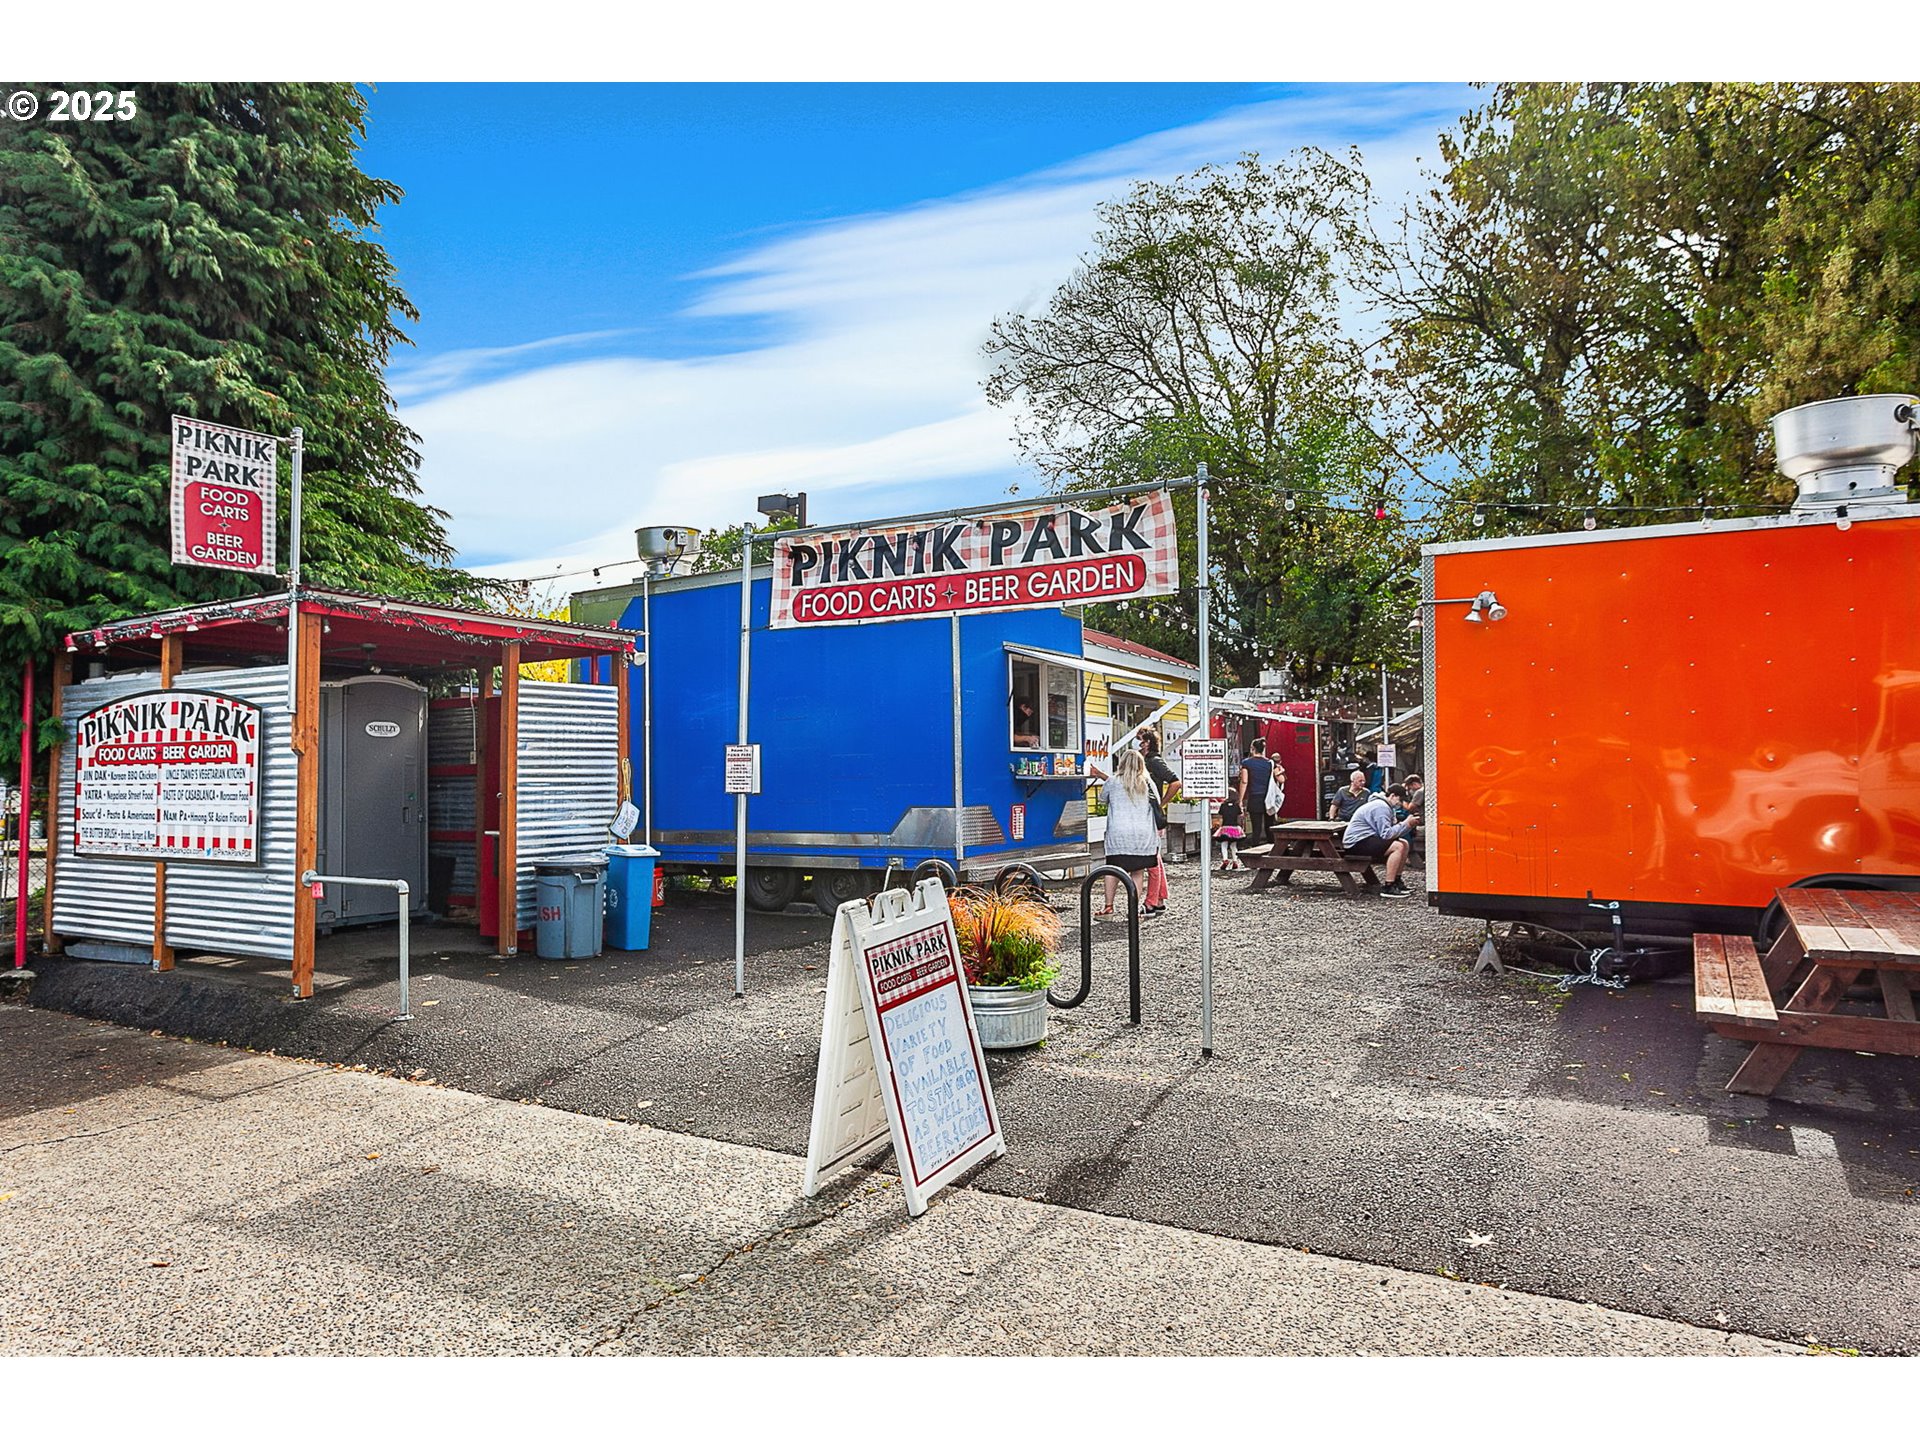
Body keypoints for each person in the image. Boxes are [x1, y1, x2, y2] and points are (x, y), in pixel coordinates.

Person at [1098, 749, 1160, 918]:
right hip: (1142, 836)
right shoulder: (1147, 782)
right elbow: (1158, 803)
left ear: (1122, 763)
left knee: (1112, 870)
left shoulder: (1112, 781)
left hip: (1118, 835)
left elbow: (1102, 799)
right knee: (1137, 872)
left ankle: (1108, 907)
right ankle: (1132, 909)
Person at [1341, 782, 1419, 897]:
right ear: (1392, 796)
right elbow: (1386, 835)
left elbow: (1391, 833)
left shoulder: (1386, 806)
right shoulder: (1381, 807)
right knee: (1398, 847)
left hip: (1367, 838)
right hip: (1356, 843)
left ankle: (1397, 881)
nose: (1401, 804)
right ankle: (1388, 886)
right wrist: (1406, 824)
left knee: (1404, 843)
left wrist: (1407, 826)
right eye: (1400, 800)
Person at [1138, 732, 1177, 916]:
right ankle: (1159, 898)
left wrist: (1160, 803)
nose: (1139, 743)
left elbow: (1175, 783)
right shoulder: (1147, 761)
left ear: (1149, 743)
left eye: (1142, 740)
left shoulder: (1153, 761)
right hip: (1149, 815)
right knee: (1156, 858)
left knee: (1151, 859)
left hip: (1151, 816)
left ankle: (1151, 901)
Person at [1234, 737, 1276, 851]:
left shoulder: (1247, 763)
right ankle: (1273, 850)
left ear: (1252, 749)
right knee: (1269, 826)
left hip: (1255, 797)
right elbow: (1281, 779)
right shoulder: (1270, 763)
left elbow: (1244, 781)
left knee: (1256, 827)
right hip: (1268, 797)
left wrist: (1241, 799)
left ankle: (1255, 851)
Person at [1215, 797, 1246, 870]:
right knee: (1233, 845)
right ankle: (1235, 861)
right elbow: (1240, 815)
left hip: (1225, 827)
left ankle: (1225, 859)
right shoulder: (1236, 806)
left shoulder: (1223, 806)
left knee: (1224, 844)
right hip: (1234, 828)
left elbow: (1220, 814)